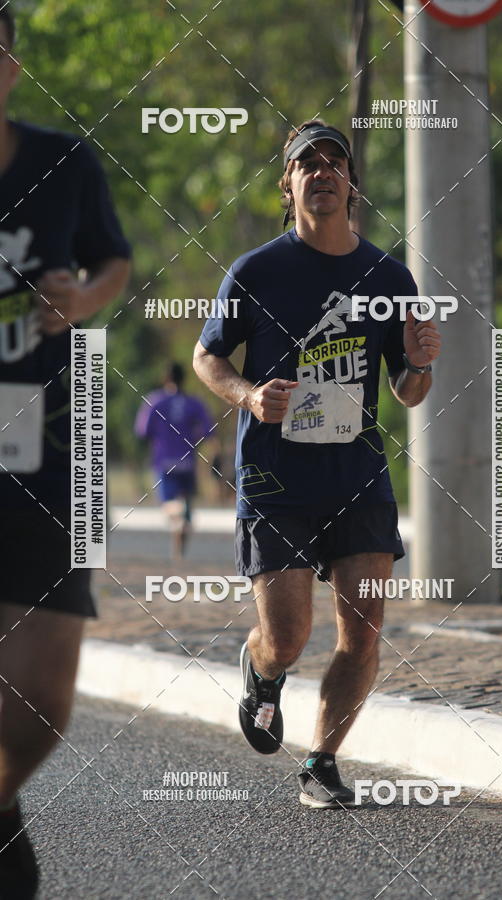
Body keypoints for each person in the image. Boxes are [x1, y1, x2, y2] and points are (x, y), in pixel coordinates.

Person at [193, 120, 441, 808]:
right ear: (289, 184)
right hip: (276, 480)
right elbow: (206, 356)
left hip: (357, 476)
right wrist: (247, 395)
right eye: (309, 164)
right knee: (289, 635)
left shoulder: (389, 275)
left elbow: (409, 391)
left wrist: (420, 360)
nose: (323, 172)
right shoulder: (258, 270)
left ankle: (322, 761)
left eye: (335, 162)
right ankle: (262, 670)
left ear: (352, 183)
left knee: (363, 633)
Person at [0, 10, 131, 895]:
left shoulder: (62, 163)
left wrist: (80, 300)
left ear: (9, 66)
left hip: (48, 446)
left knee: (40, 702)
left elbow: (113, 265)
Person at [135, 362, 215, 558]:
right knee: (185, 512)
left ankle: (179, 511)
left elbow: (142, 430)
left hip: (164, 461)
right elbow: (208, 430)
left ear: (166, 379)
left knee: (168, 505)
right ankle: (179, 555)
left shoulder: (155, 401)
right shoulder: (194, 403)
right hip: (187, 461)